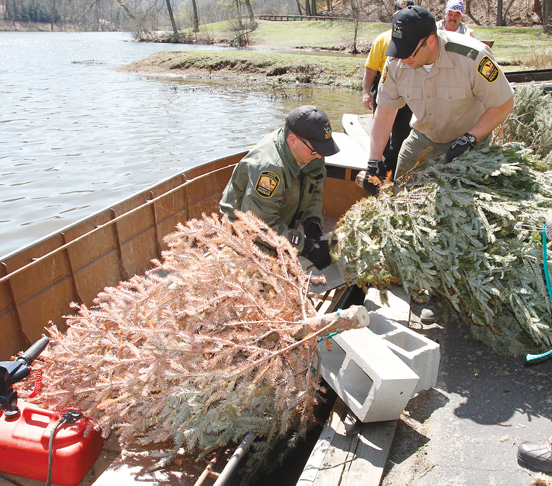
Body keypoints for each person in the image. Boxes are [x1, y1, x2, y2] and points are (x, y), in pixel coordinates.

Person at [366, 5, 514, 322]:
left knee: (460, 211)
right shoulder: (397, 63)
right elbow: (385, 112)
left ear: (430, 41)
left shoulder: (471, 56)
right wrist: (374, 159)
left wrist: (471, 138)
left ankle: (459, 276)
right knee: (401, 201)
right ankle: (418, 278)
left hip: (469, 138)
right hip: (424, 137)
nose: (403, 58)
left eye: (409, 51)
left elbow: (504, 103)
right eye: (399, 50)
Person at [219, 105, 340, 270]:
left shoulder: (312, 155)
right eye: (316, 151)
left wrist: (313, 224)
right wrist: (306, 247)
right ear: (293, 140)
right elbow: (259, 226)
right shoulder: (269, 169)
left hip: (278, 222)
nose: (319, 155)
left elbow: (313, 191)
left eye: (322, 150)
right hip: (246, 232)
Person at [361, 0, 414, 193]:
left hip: (407, 94)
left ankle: (394, 170)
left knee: (401, 133)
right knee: (382, 128)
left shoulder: (417, 42)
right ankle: (379, 168)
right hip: (383, 89)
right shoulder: (382, 39)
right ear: (394, 16)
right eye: (400, 13)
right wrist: (366, 92)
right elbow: (370, 68)